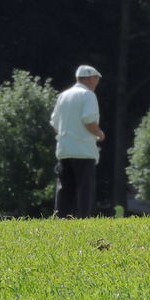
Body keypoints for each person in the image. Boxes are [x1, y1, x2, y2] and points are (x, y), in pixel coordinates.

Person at [50, 65, 105, 218]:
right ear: (89, 78)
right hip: (83, 150)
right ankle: (83, 218)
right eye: (96, 79)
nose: (97, 82)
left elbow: (55, 124)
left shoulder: (63, 96)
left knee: (65, 187)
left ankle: (62, 218)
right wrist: (100, 134)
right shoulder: (88, 95)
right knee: (84, 187)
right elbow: (88, 120)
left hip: (65, 149)